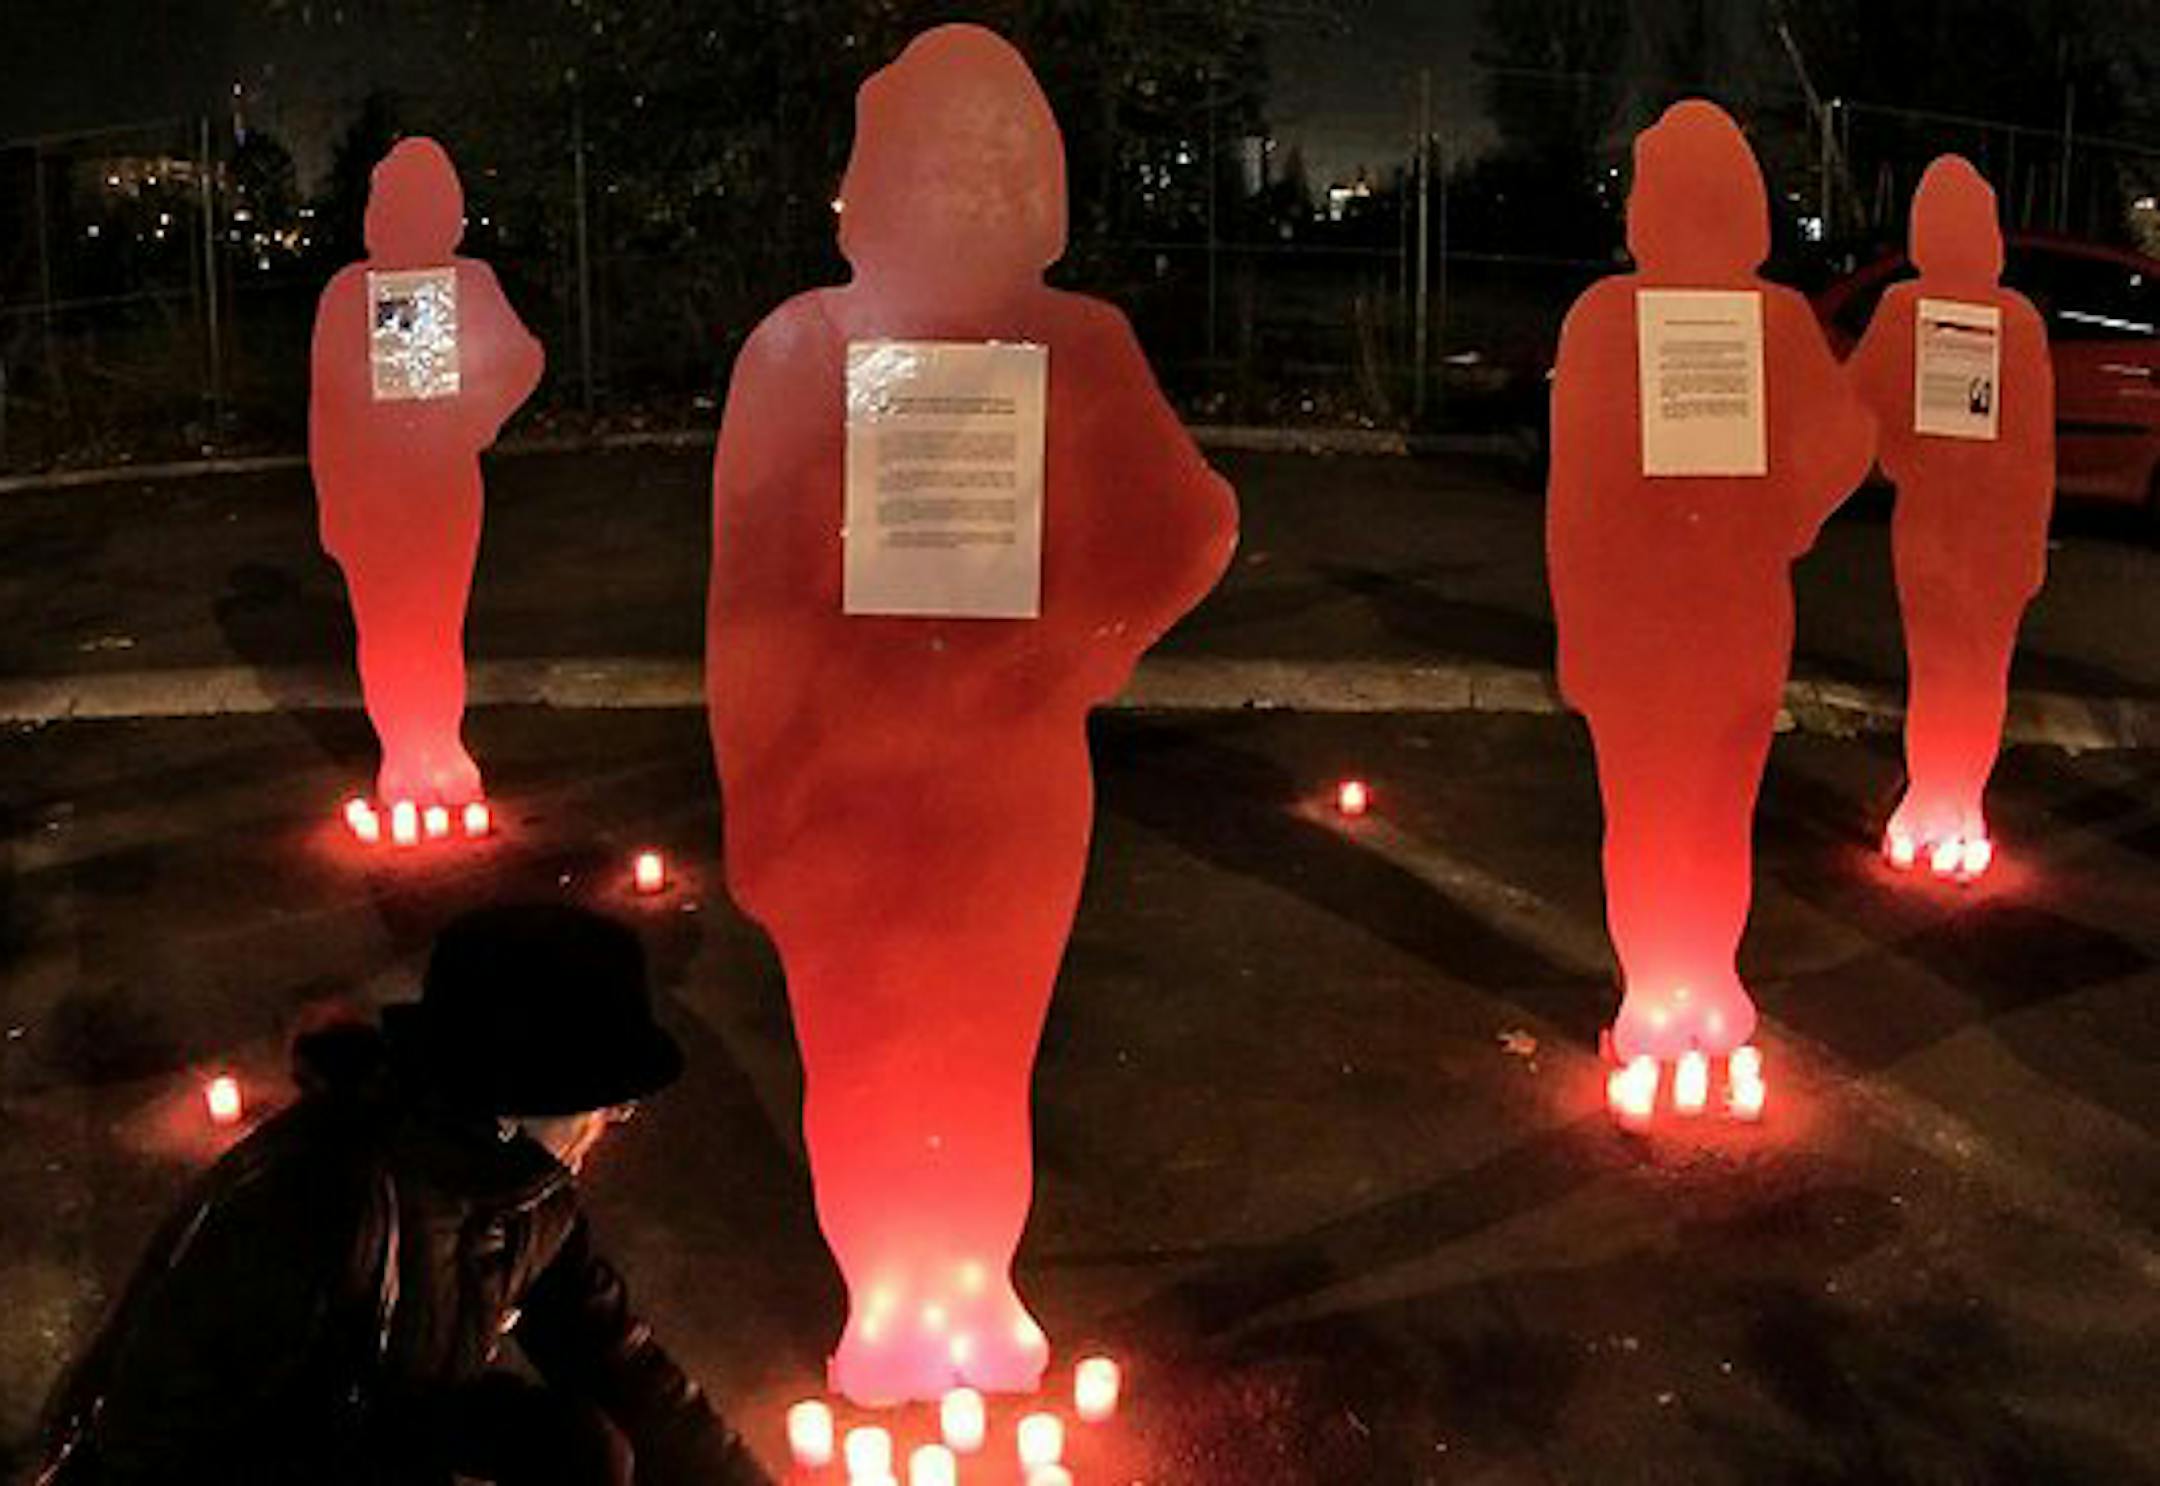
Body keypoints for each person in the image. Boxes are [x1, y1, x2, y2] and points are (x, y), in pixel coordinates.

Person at [706, 24, 1237, 1404]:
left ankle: (969, 1274)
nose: (961, 194)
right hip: (863, 772)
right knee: (866, 1029)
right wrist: (760, 793)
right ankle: (889, 1289)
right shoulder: (805, 349)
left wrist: (1080, 646)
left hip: (998, 774)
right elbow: (752, 609)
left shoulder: (1074, 344)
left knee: (978, 1035)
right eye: (939, 164)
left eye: (987, 166)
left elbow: (1191, 525)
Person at [35, 904, 771, 1486]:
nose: (618, 1119)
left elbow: (626, 1371)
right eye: (609, 1099)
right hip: (223, 1463)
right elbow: (153, 1438)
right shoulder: (317, 1198)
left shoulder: (527, 1192)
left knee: (577, 1446)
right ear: (526, 1096)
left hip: (372, 1421)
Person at [1546, 100, 1875, 1064]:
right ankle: (1708, 984)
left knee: (1646, 806)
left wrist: (1579, 636)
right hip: (1735, 609)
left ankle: (1656, 988)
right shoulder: (1772, 320)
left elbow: (1576, 494)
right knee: (1717, 805)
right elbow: (1846, 441)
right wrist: (1785, 518)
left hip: (1640, 618)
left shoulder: (1607, 320)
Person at [310, 137, 544, 812]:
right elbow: (329, 404)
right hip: (381, 490)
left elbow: (522, 358)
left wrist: (479, 415)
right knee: (388, 622)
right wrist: (336, 498)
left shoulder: (459, 284)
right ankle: (405, 752)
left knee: (432, 621)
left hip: (434, 488)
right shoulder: (354, 292)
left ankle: (436, 744)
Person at [1847, 156, 2053, 882]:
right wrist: (2032, 543)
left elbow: (1856, 406)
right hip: (1993, 524)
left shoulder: (1906, 308)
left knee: (1938, 663)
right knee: (1980, 666)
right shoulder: (2018, 318)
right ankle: (1959, 806)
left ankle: (1939, 801)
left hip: (1934, 519)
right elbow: (2036, 447)